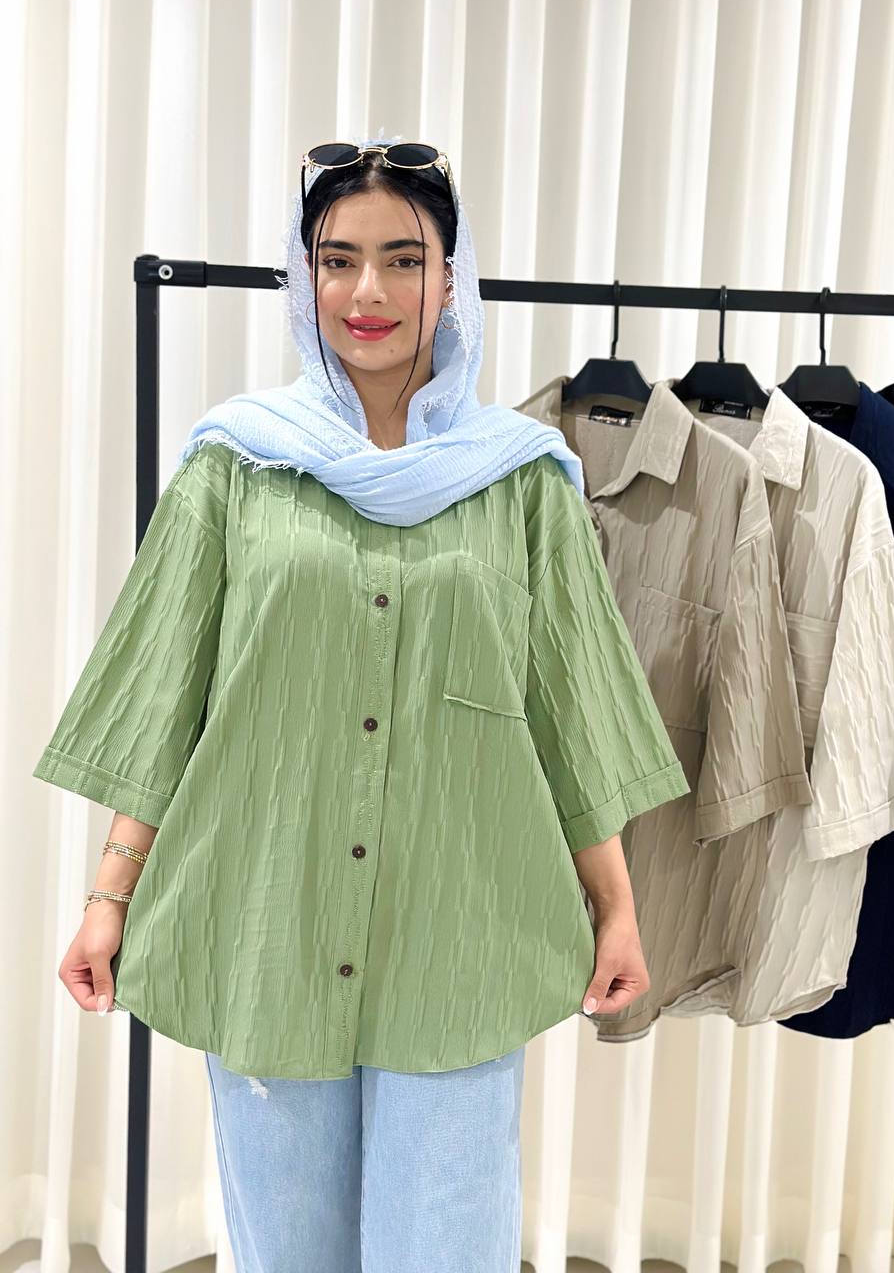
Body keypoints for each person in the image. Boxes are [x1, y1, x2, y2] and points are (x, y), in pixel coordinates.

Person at [34, 134, 687, 1270]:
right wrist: (107, 896)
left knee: (446, 1245)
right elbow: (165, 699)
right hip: (268, 917)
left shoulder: (523, 478)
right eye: (338, 260)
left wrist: (616, 907)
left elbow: (574, 710)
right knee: (286, 1247)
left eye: (403, 258)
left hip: (464, 926)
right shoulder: (236, 465)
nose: (368, 292)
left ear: (453, 276)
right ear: (306, 277)